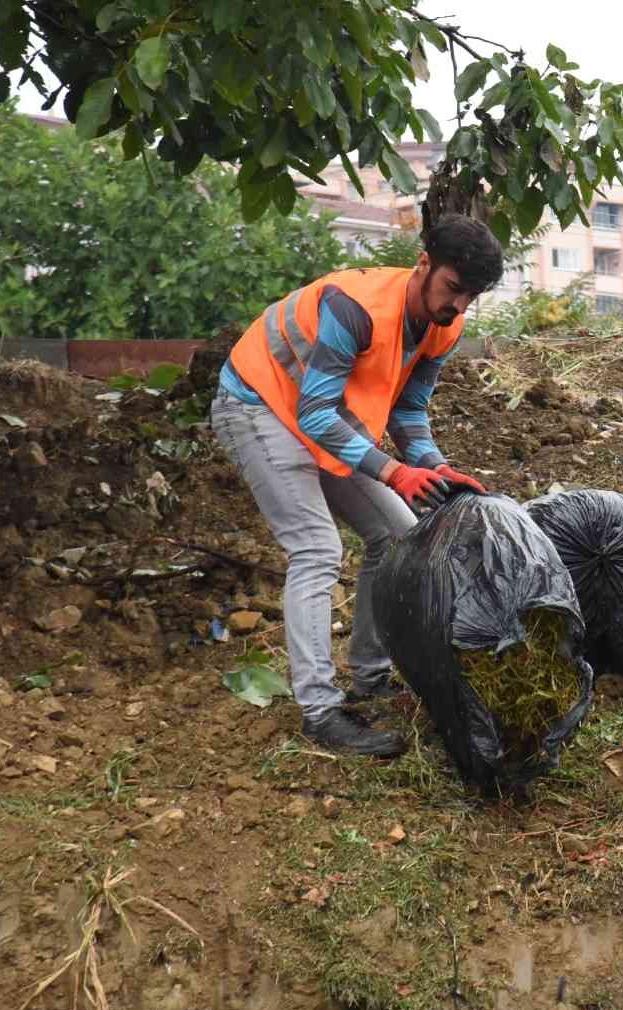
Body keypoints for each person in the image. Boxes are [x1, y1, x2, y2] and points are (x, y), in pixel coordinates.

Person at [210, 216, 504, 757]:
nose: (459, 306)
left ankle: (369, 676)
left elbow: (409, 410)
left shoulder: (444, 325)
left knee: (399, 533)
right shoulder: (357, 307)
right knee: (317, 548)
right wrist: (393, 471)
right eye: (454, 289)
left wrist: (433, 467)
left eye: (472, 297)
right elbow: (315, 415)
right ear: (424, 264)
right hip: (256, 405)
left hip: (318, 415)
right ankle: (321, 712)